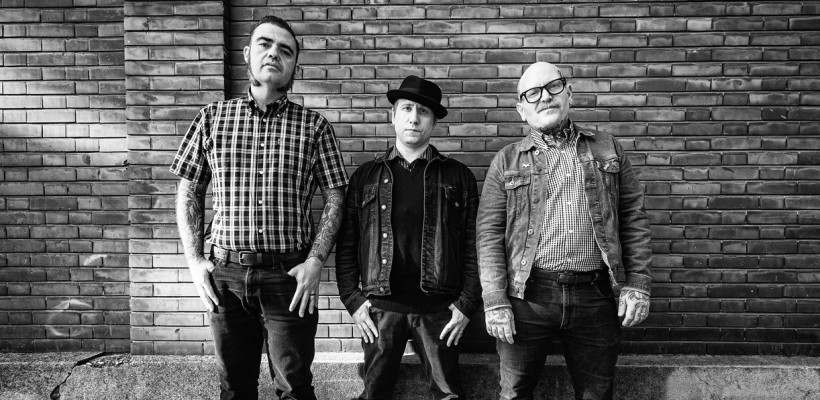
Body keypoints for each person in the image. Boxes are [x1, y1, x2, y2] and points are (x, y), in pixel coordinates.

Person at [170, 15, 347, 400]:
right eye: (265, 44)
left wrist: (316, 261)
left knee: (295, 388)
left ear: (294, 65)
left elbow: (336, 196)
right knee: (234, 388)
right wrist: (194, 260)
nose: (274, 54)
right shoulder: (212, 118)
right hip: (226, 275)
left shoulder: (315, 127)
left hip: (289, 278)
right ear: (247, 53)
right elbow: (189, 190)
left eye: (286, 50)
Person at [477, 62, 652, 400]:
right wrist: (495, 301)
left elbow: (633, 219)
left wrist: (638, 284)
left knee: (596, 394)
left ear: (568, 93)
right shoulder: (506, 161)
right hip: (527, 297)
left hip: (596, 296)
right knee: (514, 394)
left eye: (552, 87)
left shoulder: (608, 148)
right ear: (521, 110)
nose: (544, 97)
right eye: (532, 93)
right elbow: (488, 236)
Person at [335, 75, 482, 400]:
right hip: (381, 308)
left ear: (434, 121)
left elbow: (474, 245)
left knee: (447, 394)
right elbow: (347, 244)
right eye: (406, 109)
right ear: (393, 116)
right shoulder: (366, 176)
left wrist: (466, 303)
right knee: (375, 393)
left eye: (423, 112)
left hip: (440, 309)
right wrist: (353, 300)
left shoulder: (458, 176)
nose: (414, 118)